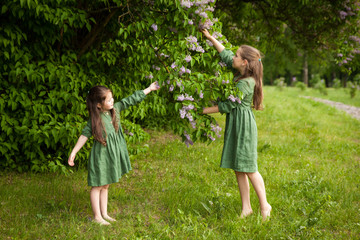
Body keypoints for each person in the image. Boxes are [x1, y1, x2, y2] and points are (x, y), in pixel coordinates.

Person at [201, 29, 271, 221]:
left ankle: (265, 205)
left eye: (237, 56)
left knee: (249, 167)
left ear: (245, 62)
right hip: (237, 124)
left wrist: (203, 110)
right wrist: (210, 37)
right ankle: (246, 208)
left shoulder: (246, 83)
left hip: (244, 127)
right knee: (239, 166)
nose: (234, 57)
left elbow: (228, 105)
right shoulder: (241, 73)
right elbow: (226, 54)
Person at [68, 82, 160, 225]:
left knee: (106, 185)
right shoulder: (95, 119)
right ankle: (97, 217)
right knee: (97, 185)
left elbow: (130, 100)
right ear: (99, 105)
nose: (112, 101)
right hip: (101, 157)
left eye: (112, 99)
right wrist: (74, 152)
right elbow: (84, 136)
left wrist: (149, 89)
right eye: (109, 100)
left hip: (112, 155)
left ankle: (104, 213)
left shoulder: (115, 109)